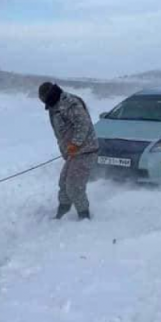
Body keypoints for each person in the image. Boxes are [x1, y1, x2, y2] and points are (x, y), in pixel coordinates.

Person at [39, 82, 98, 220]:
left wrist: (75, 143)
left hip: (85, 151)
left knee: (74, 186)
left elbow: (83, 123)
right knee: (64, 183)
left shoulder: (69, 103)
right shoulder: (55, 105)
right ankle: (62, 212)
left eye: (43, 99)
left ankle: (84, 217)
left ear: (49, 95)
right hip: (73, 153)